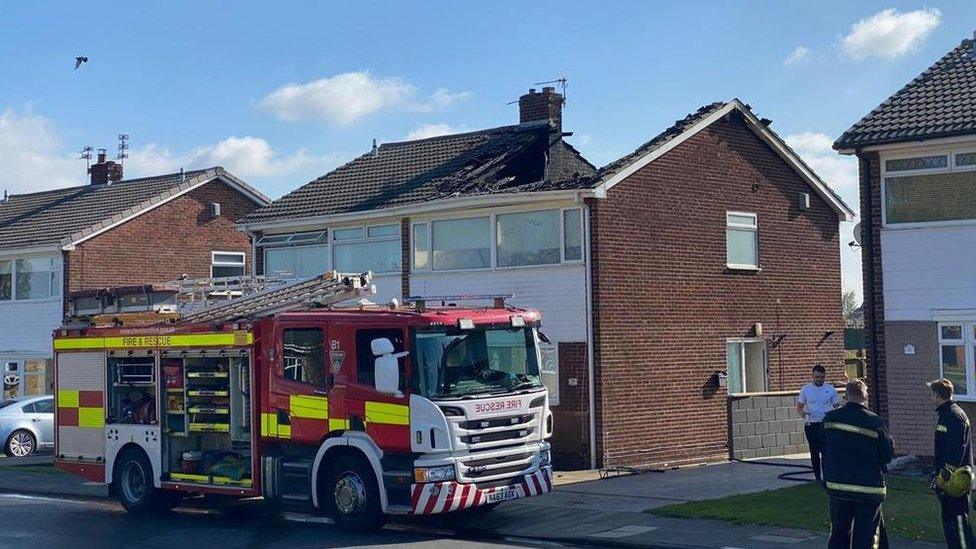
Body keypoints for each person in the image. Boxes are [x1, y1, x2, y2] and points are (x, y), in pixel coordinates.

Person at [822, 379, 894, 549]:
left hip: (838, 487)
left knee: (838, 535)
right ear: (865, 396)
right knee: (866, 536)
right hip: (867, 488)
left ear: (845, 396)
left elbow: (822, 448)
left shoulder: (830, 418)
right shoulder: (874, 422)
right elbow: (888, 454)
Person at [929, 378, 976, 548]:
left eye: (932, 395)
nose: (931, 399)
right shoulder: (948, 413)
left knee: (958, 524)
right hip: (950, 480)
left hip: (955, 482)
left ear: (937, 395)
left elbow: (957, 449)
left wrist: (945, 475)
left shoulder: (952, 416)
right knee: (951, 524)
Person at [796, 364, 841, 482]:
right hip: (812, 424)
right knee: (814, 451)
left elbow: (837, 406)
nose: (819, 379)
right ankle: (817, 476)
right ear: (812, 376)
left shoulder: (830, 389)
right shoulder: (806, 389)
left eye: (822, 377)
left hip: (826, 424)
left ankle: (828, 476)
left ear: (825, 376)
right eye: (817, 377)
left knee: (826, 451)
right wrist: (804, 415)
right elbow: (799, 407)